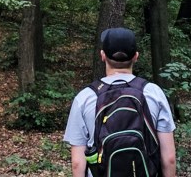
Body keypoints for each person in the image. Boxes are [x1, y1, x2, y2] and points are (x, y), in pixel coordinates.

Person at [64, 27, 176, 177]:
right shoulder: (153, 93)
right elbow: (169, 159)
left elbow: (78, 163)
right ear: (136, 57)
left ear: (102, 55)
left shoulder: (85, 97)